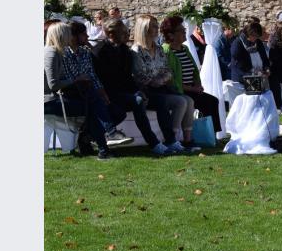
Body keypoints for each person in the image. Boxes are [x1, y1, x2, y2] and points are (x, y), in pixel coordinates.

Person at [92, 19, 174, 155]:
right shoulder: (99, 52)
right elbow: (100, 80)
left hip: (123, 93)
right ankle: (153, 143)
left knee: (156, 100)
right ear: (111, 34)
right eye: (124, 32)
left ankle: (170, 140)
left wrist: (137, 91)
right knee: (137, 102)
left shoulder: (124, 50)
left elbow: (128, 78)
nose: (127, 34)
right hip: (106, 94)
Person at [44, 23, 114, 160]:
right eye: (68, 34)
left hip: (56, 98)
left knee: (91, 102)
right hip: (49, 101)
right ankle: (106, 139)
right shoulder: (51, 53)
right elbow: (53, 85)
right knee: (92, 105)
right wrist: (76, 79)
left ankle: (101, 146)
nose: (70, 37)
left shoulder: (56, 52)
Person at [131, 14, 198, 153]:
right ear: (145, 29)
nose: (157, 29)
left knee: (185, 100)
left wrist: (159, 79)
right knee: (168, 101)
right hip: (146, 92)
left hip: (161, 88)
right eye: (153, 26)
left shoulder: (159, 49)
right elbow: (141, 76)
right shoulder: (137, 51)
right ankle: (171, 139)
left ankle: (178, 139)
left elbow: (167, 71)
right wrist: (158, 79)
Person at [65, 22, 133, 148]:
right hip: (73, 92)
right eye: (83, 34)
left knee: (118, 112)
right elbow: (73, 77)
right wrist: (85, 81)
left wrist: (103, 93)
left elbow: (92, 76)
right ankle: (110, 133)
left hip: (91, 91)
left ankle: (87, 136)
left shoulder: (85, 52)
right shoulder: (65, 54)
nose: (87, 36)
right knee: (97, 104)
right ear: (74, 36)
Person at [161, 16, 223, 135]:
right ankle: (194, 136)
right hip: (178, 91)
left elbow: (194, 69)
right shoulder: (166, 51)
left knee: (212, 101)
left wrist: (198, 85)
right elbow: (172, 80)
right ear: (171, 35)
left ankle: (211, 134)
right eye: (181, 30)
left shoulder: (184, 49)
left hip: (191, 89)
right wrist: (192, 88)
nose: (184, 31)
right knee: (204, 101)